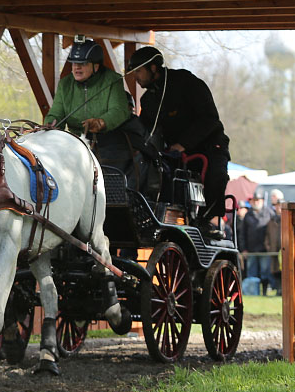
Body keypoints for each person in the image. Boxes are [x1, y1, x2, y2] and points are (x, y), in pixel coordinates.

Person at [126, 46, 230, 240]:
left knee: (216, 176)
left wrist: (183, 144)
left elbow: (210, 119)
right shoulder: (148, 100)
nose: (136, 78)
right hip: (174, 153)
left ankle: (207, 222)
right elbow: (145, 131)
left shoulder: (186, 82)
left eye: (139, 71)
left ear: (154, 68)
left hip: (209, 146)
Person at [44, 38, 147, 189]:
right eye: (74, 63)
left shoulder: (113, 80)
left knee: (107, 178)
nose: (77, 68)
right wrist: (50, 122)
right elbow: (57, 112)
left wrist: (101, 122)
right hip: (77, 143)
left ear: (96, 66)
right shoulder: (65, 84)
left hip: (110, 144)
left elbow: (119, 110)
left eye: (83, 64)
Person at [238, 193, 274, 294]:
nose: (256, 202)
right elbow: (242, 234)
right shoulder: (248, 215)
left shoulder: (269, 213)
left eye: (258, 200)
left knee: (265, 272)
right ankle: (252, 292)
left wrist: (270, 246)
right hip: (251, 249)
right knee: (252, 272)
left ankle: (265, 292)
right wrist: (243, 249)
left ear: (262, 201)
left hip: (265, 249)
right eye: (254, 200)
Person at [264, 189, 284, 295]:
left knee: (284, 270)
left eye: (281, 206)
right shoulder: (271, 221)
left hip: (284, 251)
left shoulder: (287, 220)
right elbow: (267, 236)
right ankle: (278, 289)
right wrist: (268, 246)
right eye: (277, 206)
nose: (279, 208)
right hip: (274, 251)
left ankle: (283, 290)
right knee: (275, 271)